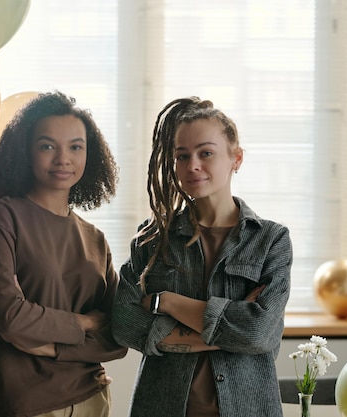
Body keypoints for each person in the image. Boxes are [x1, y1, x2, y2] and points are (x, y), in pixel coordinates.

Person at [112, 97, 292, 417]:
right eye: (182, 156)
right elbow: (124, 323)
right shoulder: (152, 237)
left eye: (205, 153)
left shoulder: (271, 240)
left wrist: (165, 302)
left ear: (236, 159)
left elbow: (259, 332)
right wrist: (230, 332)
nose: (192, 165)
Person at [0, 91, 128, 417]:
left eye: (75, 147)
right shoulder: (4, 218)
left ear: (91, 155)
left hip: (92, 398)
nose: (63, 159)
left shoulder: (95, 239)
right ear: (25, 152)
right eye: (47, 146)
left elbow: (117, 335)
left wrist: (55, 348)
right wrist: (84, 322)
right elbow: (9, 317)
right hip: (24, 405)